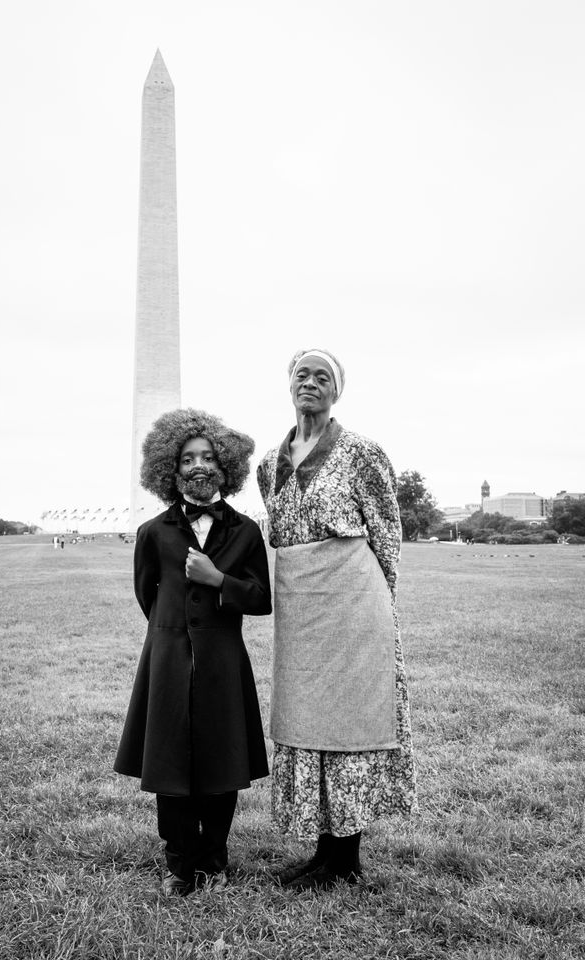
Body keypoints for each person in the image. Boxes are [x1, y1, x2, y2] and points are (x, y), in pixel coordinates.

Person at [257, 348, 417, 890]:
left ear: (337, 390)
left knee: (349, 717)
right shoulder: (268, 464)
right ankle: (322, 851)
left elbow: (387, 532)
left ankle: (346, 859)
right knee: (308, 717)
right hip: (301, 605)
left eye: (322, 377)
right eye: (301, 374)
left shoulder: (363, 452)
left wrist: (379, 602)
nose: (310, 383)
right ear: (289, 384)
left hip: (352, 599)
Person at [114, 408, 271, 897]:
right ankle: (180, 862)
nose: (198, 465)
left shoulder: (246, 531)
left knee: (223, 764)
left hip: (224, 662)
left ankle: (214, 859)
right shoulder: (153, 532)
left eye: (208, 457)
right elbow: (148, 595)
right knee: (172, 766)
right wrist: (175, 631)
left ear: (226, 467)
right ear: (171, 469)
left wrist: (219, 581)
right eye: (187, 458)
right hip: (168, 660)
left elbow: (263, 598)